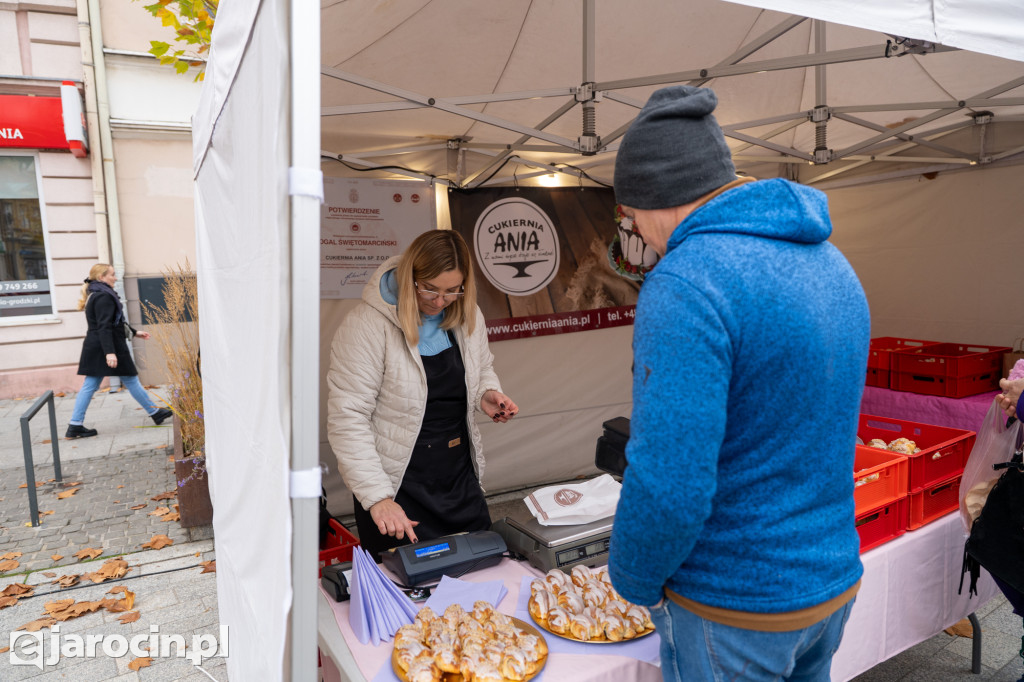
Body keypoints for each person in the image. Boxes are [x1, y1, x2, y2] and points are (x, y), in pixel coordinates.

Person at [608, 85, 870, 681]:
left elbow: (671, 475)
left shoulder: (686, 282)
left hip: (733, 600)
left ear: (654, 196)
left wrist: (634, 578)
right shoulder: (832, 261)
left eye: (629, 215)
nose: (637, 230)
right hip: (828, 575)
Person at [326, 230, 518, 560]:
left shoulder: (467, 313)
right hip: (397, 484)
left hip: (458, 477)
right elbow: (347, 419)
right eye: (429, 288)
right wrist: (378, 498)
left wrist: (485, 392)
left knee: (481, 566)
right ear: (409, 275)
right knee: (409, 582)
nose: (440, 301)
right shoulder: (365, 326)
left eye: (451, 291)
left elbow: (482, 365)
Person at [66, 264, 173, 438]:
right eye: (112, 275)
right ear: (101, 277)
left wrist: (134, 332)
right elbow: (104, 326)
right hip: (108, 347)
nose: (115, 278)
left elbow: (113, 323)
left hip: (98, 346)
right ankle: (154, 412)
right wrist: (109, 352)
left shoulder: (96, 293)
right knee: (128, 379)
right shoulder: (103, 296)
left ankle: (75, 424)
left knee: (95, 384)